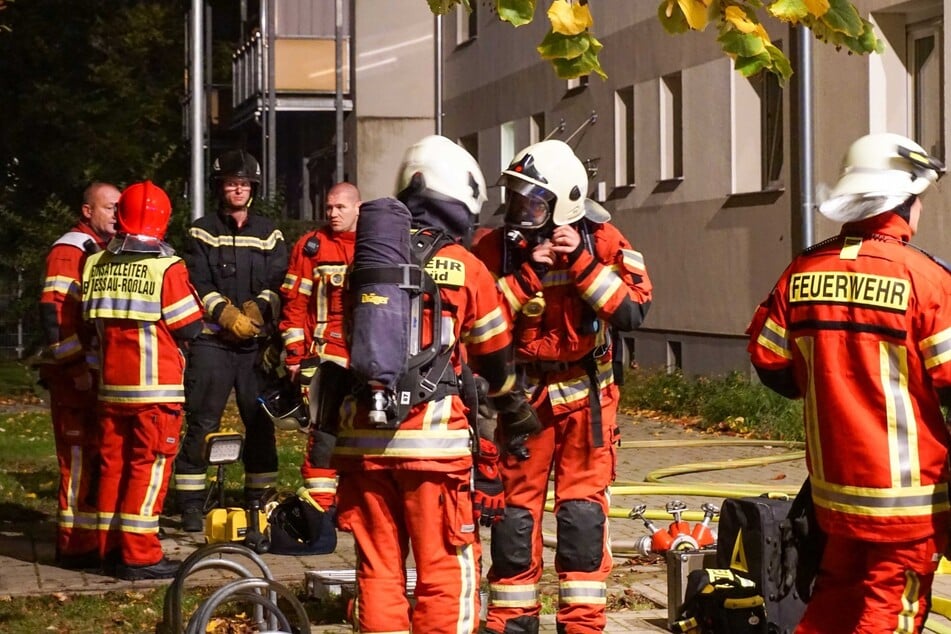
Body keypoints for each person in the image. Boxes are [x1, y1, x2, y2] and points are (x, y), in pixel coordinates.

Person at [747, 132, 951, 633]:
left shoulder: (802, 269)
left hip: (834, 493)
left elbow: (769, 362)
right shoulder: (924, 279)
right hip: (908, 501)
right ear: (903, 202)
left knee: (835, 600)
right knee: (890, 613)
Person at [330, 135, 515, 633]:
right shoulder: (467, 268)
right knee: (444, 568)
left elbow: (338, 347)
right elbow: (495, 362)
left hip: (363, 443)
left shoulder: (363, 264)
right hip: (433, 447)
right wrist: (511, 411)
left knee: (378, 570)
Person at [472, 139, 653, 634]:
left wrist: (581, 264)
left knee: (581, 520)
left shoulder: (603, 240)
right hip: (520, 399)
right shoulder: (495, 248)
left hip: (586, 400)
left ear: (564, 202)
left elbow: (632, 311)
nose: (519, 211)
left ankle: (582, 626)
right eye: (515, 197)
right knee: (513, 518)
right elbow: (477, 318)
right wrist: (531, 271)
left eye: (532, 201)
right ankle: (512, 621)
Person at [81, 181, 204, 580]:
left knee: (113, 468)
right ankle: (141, 555)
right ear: (163, 220)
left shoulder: (96, 262)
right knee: (147, 471)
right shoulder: (167, 268)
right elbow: (189, 326)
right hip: (155, 391)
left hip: (110, 389)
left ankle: (111, 548)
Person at [173, 150, 288, 532]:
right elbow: (197, 282)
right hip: (213, 343)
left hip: (255, 346)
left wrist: (255, 313)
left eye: (243, 183)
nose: (236, 189)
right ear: (220, 188)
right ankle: (190, 502)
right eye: (230, 183)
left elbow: (278, 281)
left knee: (260, 420)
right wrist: (225, 315)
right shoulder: (201, 230)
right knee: (202, 419)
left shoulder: (269, 232)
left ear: (252, 188)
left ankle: (260, 498)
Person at [38, 181, 120, 569]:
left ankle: (89, 541)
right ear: (88, 211)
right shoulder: (71, 249)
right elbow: (55, 316)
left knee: (95, 458)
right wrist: (74, 368)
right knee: (78, 462)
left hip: (94, 374)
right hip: (75, 378)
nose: (117, 216)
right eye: (110, 208)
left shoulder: (100, 250)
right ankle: (73, 546)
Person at [276, 181, 361, 541]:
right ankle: (320, 512)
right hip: (324, 356)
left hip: (364, 357)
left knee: (363, 434)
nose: (333, 214)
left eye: (340, 207)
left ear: (359, 208)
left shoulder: (375, 244)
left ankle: (357, 509)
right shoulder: (311, 246)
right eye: (329, 208)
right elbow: (294, 304)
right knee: (323, 436)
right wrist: (295, 354)